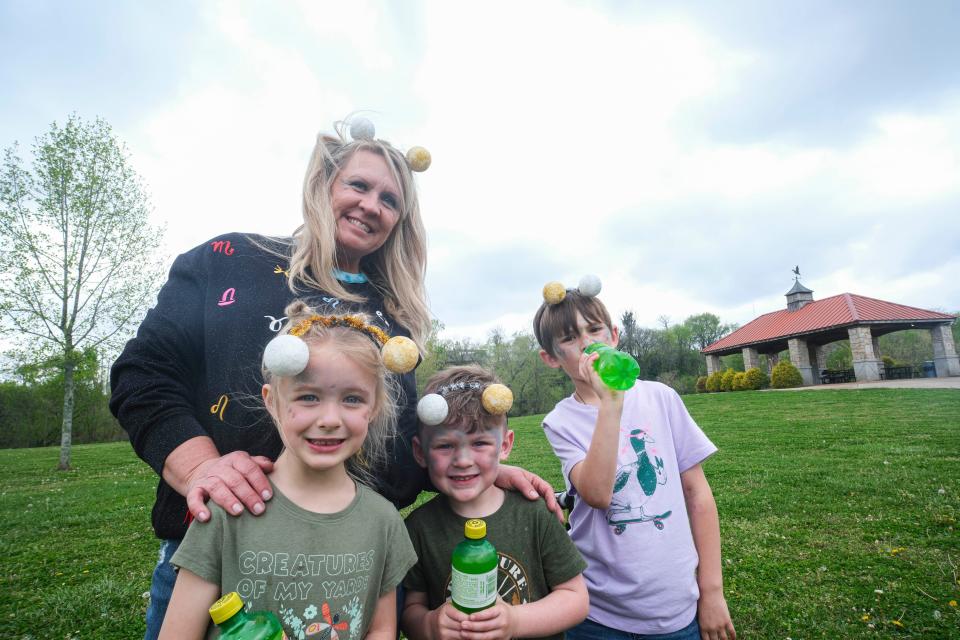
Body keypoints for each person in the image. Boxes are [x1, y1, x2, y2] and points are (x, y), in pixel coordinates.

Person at [110, 117, 558, 640]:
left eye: (390, 200)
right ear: (322, 186)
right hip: (218, 563)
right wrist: (200, 469)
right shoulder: (226, 262)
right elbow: (143, 375)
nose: (372, 205)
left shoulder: (392, 319)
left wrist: (469, 467)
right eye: (359, 185)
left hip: (349, 570)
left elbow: (397, 447)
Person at [159, 304, 417, 639]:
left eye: (352, 399)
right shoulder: (228, 510)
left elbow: (382, 629)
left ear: (374, 408)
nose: (329, 419)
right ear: (272, 402)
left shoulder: (384, 521)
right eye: (308, 397)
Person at [532, 282, 736, 640]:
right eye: (569, 337)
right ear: (550, 357)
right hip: (597, 613)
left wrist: (713, 591)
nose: (586, 343)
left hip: (674, 608)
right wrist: (611, 404)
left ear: (613, 336)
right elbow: (597, 494)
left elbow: (697, 493)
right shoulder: (561, 421)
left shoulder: (661, 398)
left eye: (594, 329)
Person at [401, 365, 589, 640]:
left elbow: (576, 599)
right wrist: (429, 625)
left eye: (479, 443)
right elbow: (410, 609)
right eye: (444, 446)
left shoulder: (533, 512)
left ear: (505, 444)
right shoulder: (419, 527)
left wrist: (514, 621)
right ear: (420, 452)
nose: (463, 460)